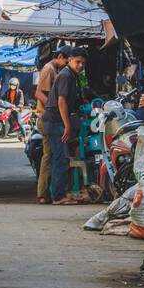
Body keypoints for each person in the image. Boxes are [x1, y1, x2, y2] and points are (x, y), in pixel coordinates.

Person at [42, 48, 87, 206]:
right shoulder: (66, 75)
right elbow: (61, 101)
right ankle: (58, 197)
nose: (80, 65)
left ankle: (59, 193)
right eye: (77, 61)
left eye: (83, 63)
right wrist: (67, 125)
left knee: (60, 157)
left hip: (56, 121)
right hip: (55, 122)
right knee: (60, 158)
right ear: (69, 60)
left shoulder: (72, 75)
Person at [34, 48, 68, 204]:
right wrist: (53, 107)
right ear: (60, 57)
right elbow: (38, 93)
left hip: (46, 116)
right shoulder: (49, 69)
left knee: (49, 155)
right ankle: (44, 193)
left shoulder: (54, 69)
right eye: (67, 61)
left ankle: (44, 192)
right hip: (45, 116)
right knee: (50, 156)